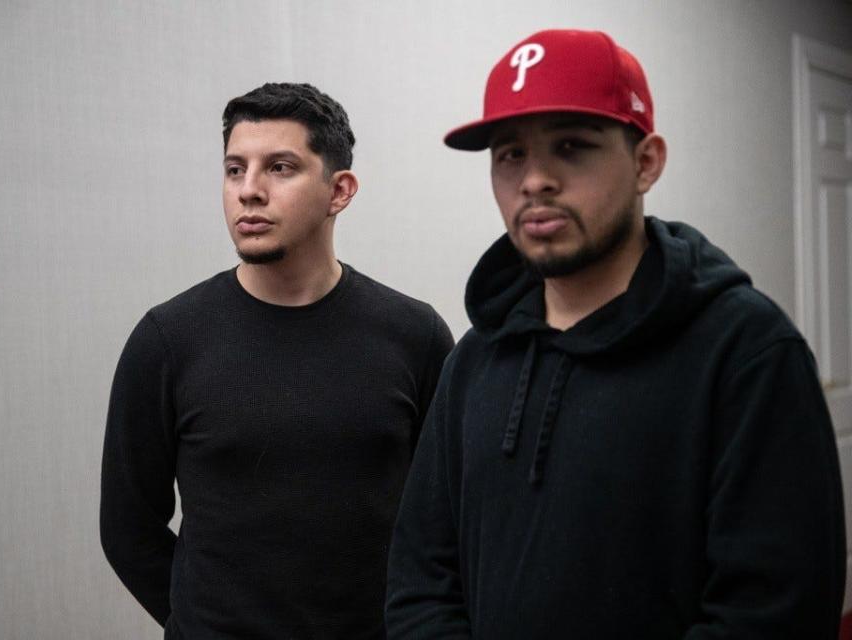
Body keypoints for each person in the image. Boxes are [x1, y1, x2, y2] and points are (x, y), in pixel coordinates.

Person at [385, 29, 845, 639]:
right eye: (510, 155)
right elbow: (420, 580)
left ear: (646, 161)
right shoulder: (475, 359)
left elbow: (774, 609)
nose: (535, 180)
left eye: (572, 146)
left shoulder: (746, 352)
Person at [100, 82, 453, 639]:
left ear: (340, 191)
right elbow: (127, 528)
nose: (249, 191)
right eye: (235, 169)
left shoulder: (416, 335)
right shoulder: (168, 340)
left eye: (280, 168)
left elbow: (447, 521)